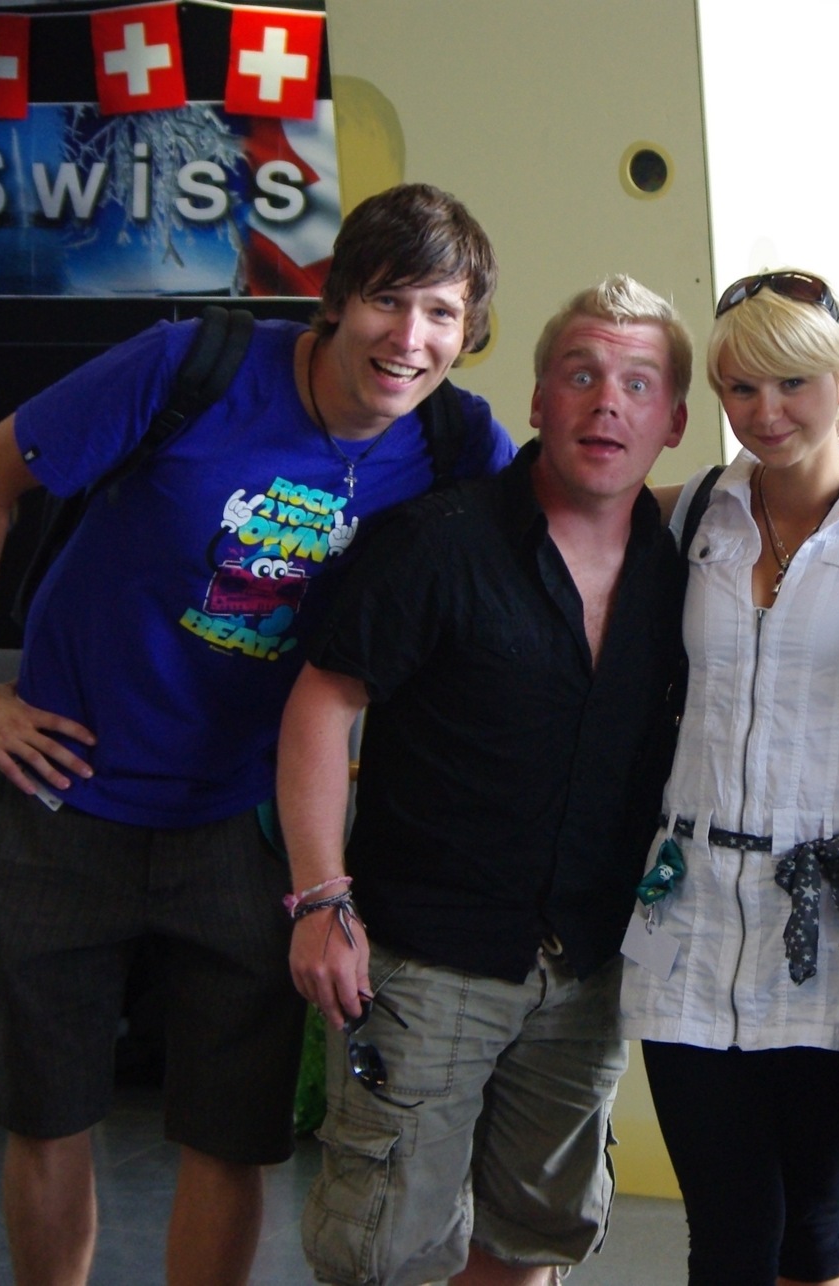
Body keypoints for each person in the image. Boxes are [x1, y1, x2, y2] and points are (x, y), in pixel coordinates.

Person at [0, 183, 512, 1286]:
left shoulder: (455, 441)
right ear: (335, 300)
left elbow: (561, 532)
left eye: (442, 312)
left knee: (230, 1132)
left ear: (468, 330)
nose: (410, 337)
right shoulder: (190, 367)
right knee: (48, 1114)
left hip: (249, 824)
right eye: (387, 300)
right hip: (67, 794)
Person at [279, 276, 691, 1286]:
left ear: (674, 423)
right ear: (539, 400)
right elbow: (321, 708)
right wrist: (321, 899)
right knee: (385, 1251)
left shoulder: (687, 566)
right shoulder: (439, 541)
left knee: (532, 1238)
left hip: (588, 965)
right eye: (581, 375)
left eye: (639, 384)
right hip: (426, 960)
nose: (607, 403)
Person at [617, 270, 839, 1286]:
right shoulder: (697, 510)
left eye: (793, 382)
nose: (765, 412)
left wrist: (803, 787)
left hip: (835, 910)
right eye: (741, 387)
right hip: (689, 910)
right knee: (725, 1230)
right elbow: (565, 501)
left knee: (814, 1225)